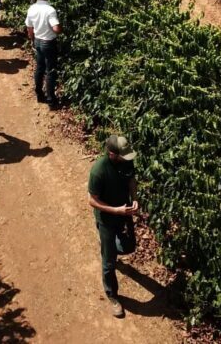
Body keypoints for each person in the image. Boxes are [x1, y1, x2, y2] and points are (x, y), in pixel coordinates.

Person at [88, 135, 139, 319]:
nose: (127, 158)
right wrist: (114, 210)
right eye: (123, 155)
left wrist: (135, 198)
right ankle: (113, 296)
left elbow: (131, 179)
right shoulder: (99, 171)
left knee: (129, 246)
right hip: (108, 219)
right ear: (111, 154)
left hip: (123, 213)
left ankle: (107, 247)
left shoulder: (126, 160)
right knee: (109, 262)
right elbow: (92, 201)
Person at [25, 0, 61, 109]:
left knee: (39, 68)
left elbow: (29, 28)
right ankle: (51, 100)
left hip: (38, 41)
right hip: (48, 43)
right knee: (50, 71)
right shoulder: (50, 10)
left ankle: (39, 94)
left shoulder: (31, 9)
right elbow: (56, 28)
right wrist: (60, 29)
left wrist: (32, 39)